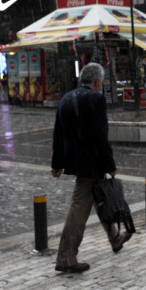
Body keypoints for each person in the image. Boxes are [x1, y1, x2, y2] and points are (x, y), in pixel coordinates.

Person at [51, 62, 122, 274]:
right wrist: (110, 165)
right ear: (98, 81)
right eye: (102, 81)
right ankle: (65, 257)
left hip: (76, 160)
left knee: (101, 199)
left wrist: (58, 163)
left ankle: (116, 238)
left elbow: (58, 133)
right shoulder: (96, 99)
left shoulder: (65, 98)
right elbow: (101, 135)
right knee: (79, 206)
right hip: (92, 162)